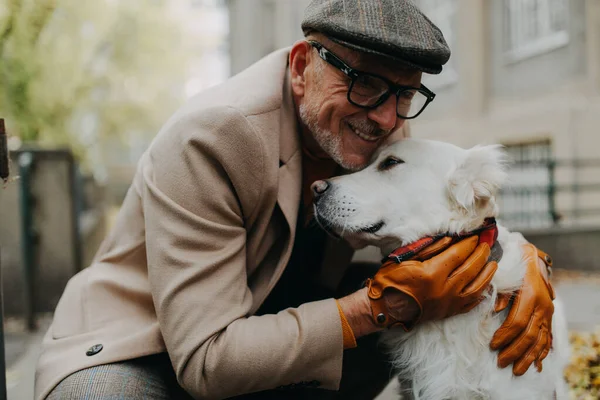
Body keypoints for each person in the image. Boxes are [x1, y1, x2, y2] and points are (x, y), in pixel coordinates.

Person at [35, 1, 556, 399]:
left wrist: (519, 262)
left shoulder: (381, 133)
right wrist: (375, 308)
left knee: (427, 307)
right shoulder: (212, 138)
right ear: (302, 64)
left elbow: (450, 212)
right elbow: (205, 362)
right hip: (145, 347)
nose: (382, 116)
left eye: (403, 94)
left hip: (271, 316)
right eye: (363, 81)